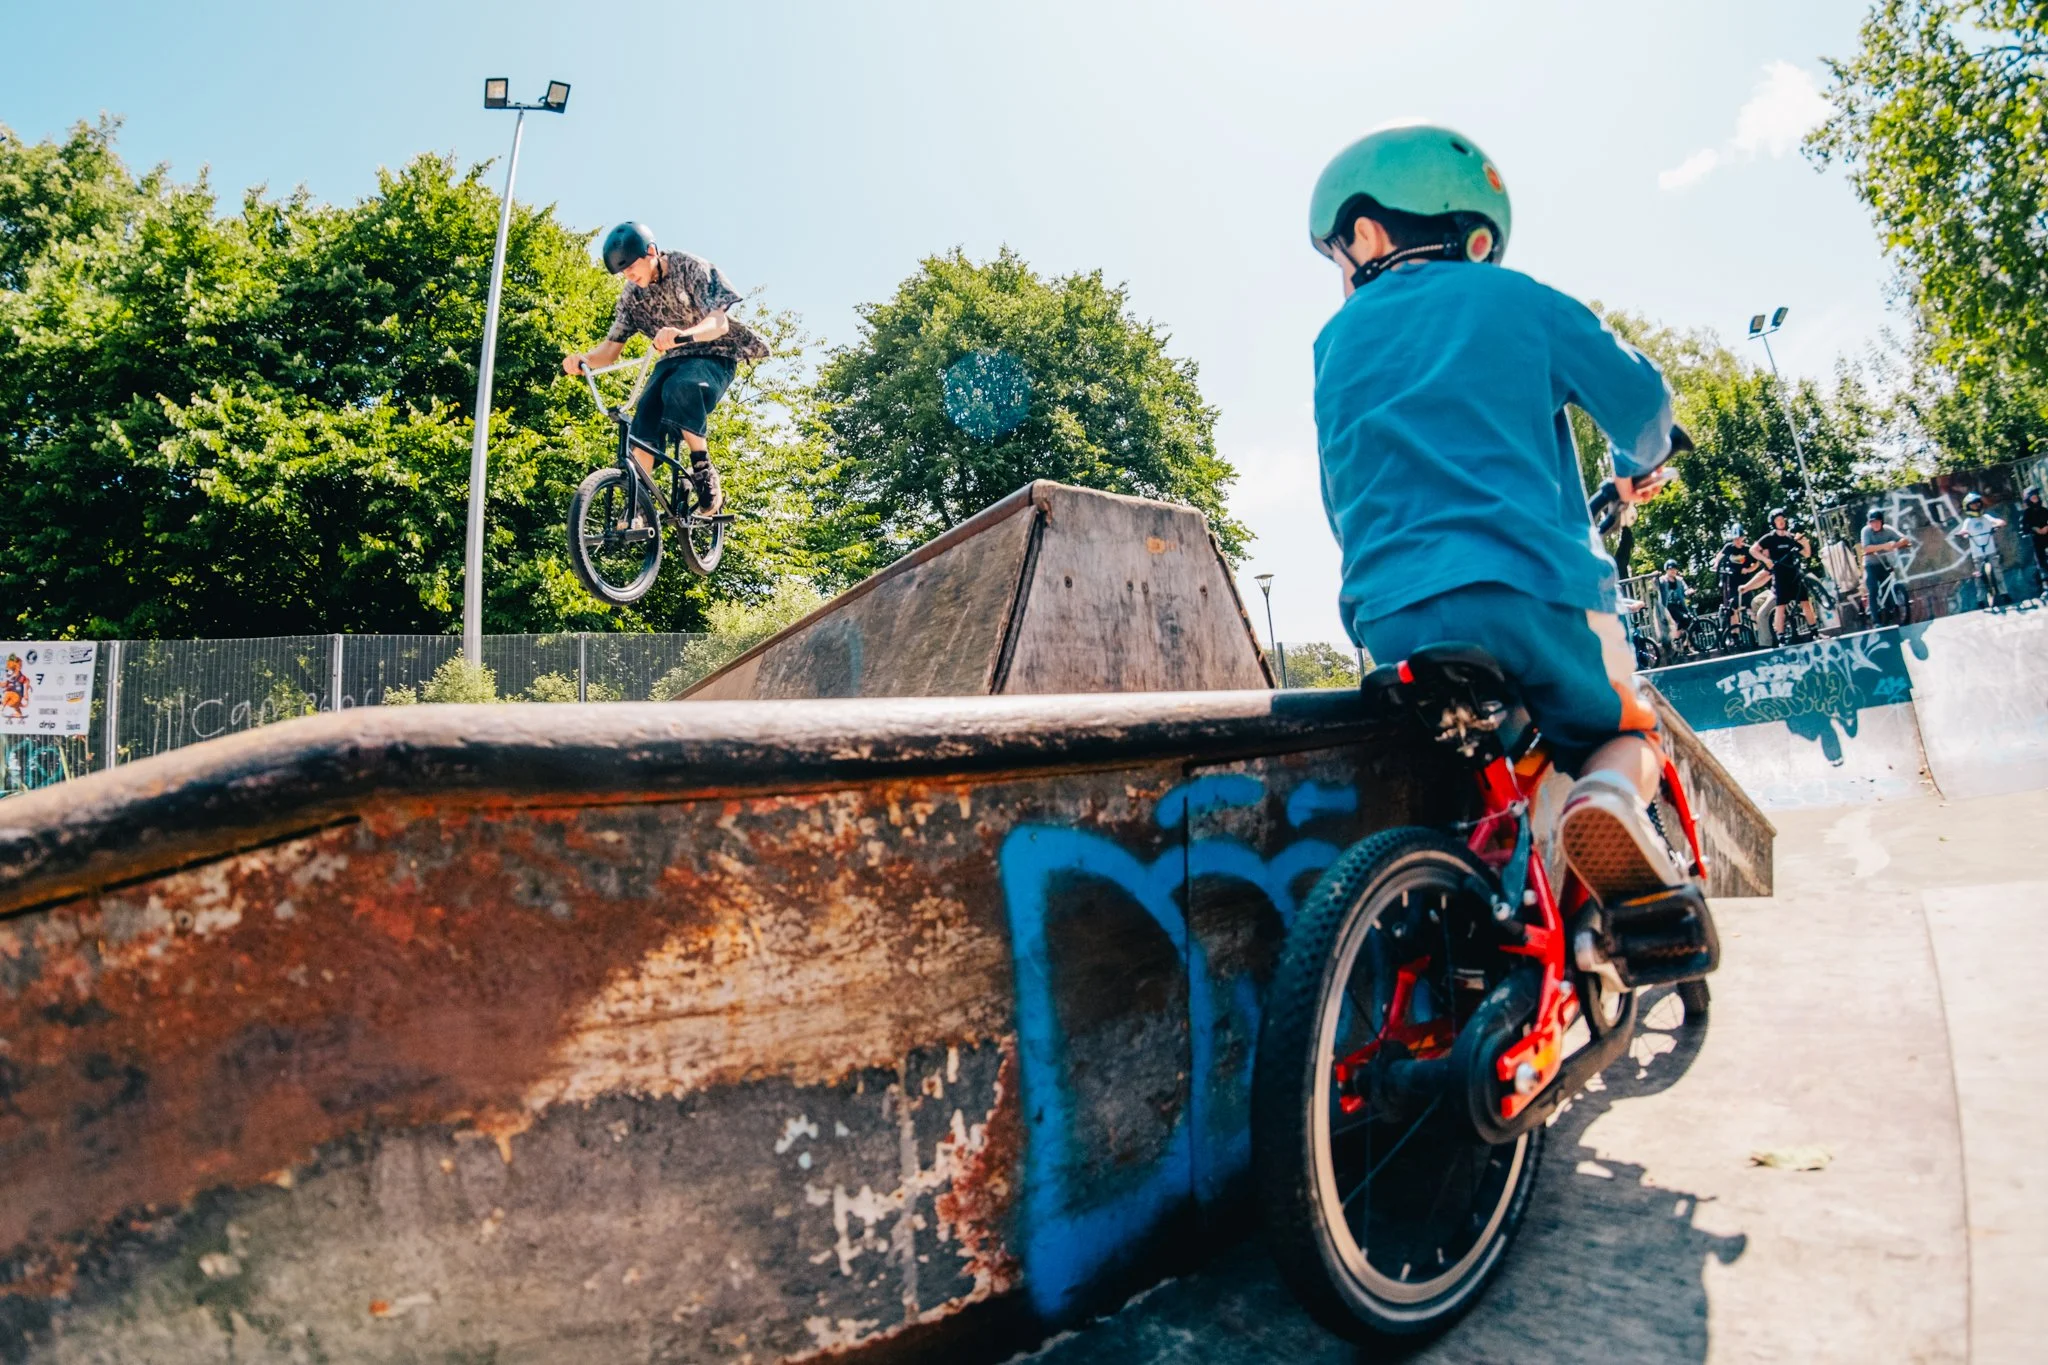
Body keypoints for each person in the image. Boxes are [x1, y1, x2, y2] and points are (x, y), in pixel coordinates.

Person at [1308, 122, 1686, 906]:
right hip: (1528, 597)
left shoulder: (1333, 347)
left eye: (1336, 260)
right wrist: (1639, 461)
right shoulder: (1521, 302)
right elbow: (1643, 405)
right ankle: (1604, 803)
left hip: (1390, 617)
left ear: (1369, 232)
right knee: (1626, 733)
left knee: (1483, 758)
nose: (1340, 279)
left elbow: (1339, 502)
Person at [561, 222, 769, 516]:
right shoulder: (632, 297)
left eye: (633, 267)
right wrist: (581, 360)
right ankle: (637, 505)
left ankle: (702, 468)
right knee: (644, 417)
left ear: (652, 252)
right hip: (672, 359)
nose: (630, 275)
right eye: (624, 272)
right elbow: (609, 351)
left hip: (715, 353)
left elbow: (718, 324)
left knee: (681, 388)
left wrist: (683, 333)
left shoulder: (691, 268)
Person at [1755, 509, 1817, 642]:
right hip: (1780, 576)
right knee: (1780, 607)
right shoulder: (1770, 538)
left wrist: (1805, 543)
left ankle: (1814, 630)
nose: (1781, 522)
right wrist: (1766, 560)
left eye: (1782, 519)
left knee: (1805, 603)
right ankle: (1781, 636)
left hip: (1794, 574)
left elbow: (1806, 554)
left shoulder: (1790, 537)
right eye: (1778, 520)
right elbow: (1753, 550)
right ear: (1773, 523)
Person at [1859, 508, 1913, 624]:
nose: (1875, 524)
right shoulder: (1866, 531)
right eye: (1872, 522)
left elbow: (1905, 539)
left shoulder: (1888, 530)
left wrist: (1895, 545)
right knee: (1873, 589)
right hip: (1870, 564)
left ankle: (1891, 612)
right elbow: (1866, 548)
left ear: (1882, 521)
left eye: (1877, 521)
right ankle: (1876, 620)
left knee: (1887, 588)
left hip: (1884, 563)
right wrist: (1884, 546)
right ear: (1869, 523)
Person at [1957, 491, 2008, 607]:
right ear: (1968, 507)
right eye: (1972, 504)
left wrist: (1999, 523)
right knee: (1978, 576)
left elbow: (1997, 521)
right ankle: (1981, 599)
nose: (1976, 506)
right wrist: (1963, 533)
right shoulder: (1968, 521)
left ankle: (2004, 593)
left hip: (1990, 549)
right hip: (1977, 552)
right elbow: (1964, 530)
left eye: (1977, 504)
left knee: (1997, 571)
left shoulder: (1986, 517)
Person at [1714, 531, 1760, 637]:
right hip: (1733, 583)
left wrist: (1749, 569)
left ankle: (1759, 631)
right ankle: (1735, 635)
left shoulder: (1747, 549)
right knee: (1733, 608)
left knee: (1751, 607)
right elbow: (1720, 555)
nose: (1738, 541)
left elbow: (1757, 562)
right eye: (1735, 539)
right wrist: (1716, 564)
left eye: (1740, 539)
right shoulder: (1729, 547)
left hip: (1746, 583)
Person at [2020, 487, 2048, 597]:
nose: (2035, 498)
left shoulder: (2044, 510)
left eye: (2036, 496)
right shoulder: (2027, 513)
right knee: (2041, 563)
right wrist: (2035, 529)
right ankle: (2045, 586)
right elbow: (2024, 528)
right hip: (2036, 540)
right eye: (2032, 497)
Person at [1656, 560, 1696, 632]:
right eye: (1671, 569)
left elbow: (1685, 590)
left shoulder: (1679, 580)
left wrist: (1689, 591)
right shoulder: (1662, 580)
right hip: (1668, 607)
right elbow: (1656, 585)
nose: (1673, 571)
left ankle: (1682, 638)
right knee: (1684, 618)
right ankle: (1677, 636)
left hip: (1679, 605)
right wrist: (1654, 577)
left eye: (1674, 569)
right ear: (1666, 570)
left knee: (1690, 618)